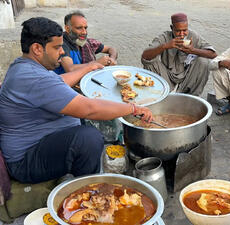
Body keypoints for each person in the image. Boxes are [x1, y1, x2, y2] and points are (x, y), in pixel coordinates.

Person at [0, 17, 152, 184]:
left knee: (85, 120)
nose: (62, 51)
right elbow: (89, 109)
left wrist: (88, 67)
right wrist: (134, 109)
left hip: (43, 141)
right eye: (57, 47)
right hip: (26, 161)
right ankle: (87, 187)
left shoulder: (24, 65)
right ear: (37, 48)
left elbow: (59, 81)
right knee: (88, 138)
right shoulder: (33, 78)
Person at [141, 13, 217, 96]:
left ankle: (193, 97)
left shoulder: (193, 36)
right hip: (166, 76)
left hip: (187, 77)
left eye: (184, 30)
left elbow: (213, 54)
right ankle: (162, 93)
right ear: (172, 28)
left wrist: (193, 50)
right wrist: (165, 46)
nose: (181, 34)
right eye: (178, 31)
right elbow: (145, 56)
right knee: (150, 62)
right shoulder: (164, 37)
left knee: (204, 61)